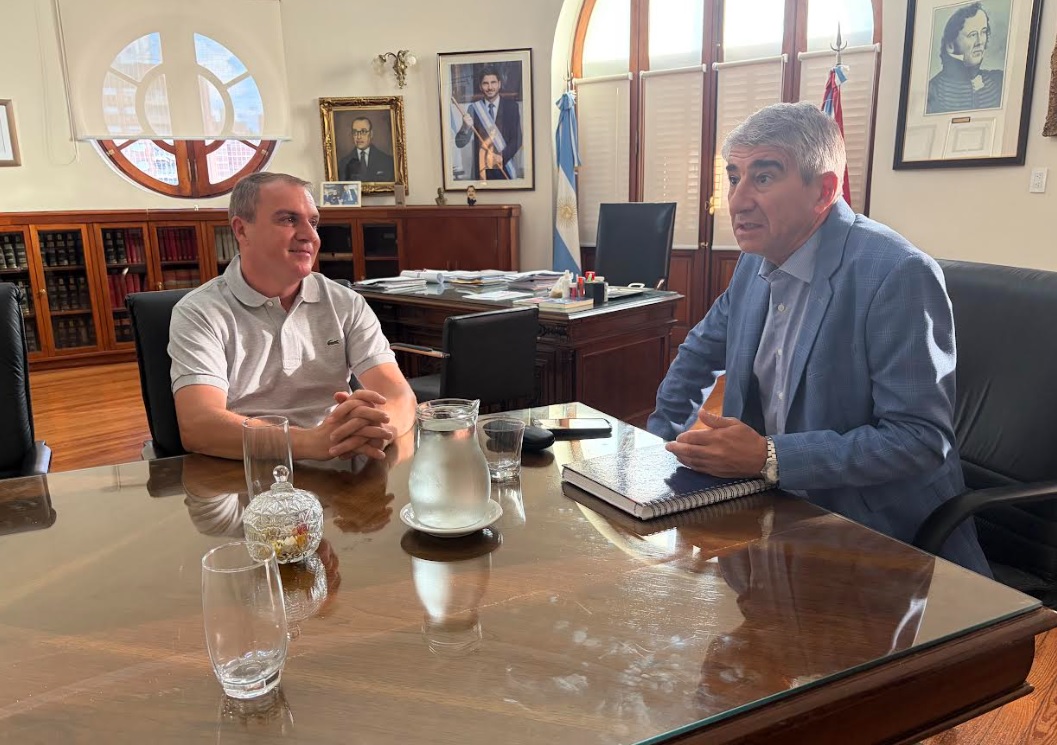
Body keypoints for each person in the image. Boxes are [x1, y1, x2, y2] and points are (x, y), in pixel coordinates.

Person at [646, 102, 989, 575]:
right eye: (734, 177)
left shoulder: (897, 274)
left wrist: (769, 457)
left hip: (876, 539)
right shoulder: (754, 261)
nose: (738, 201)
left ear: (825, 190)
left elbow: (919, 440)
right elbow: (698, 353)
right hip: (772, 515)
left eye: (763, 178)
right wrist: (660, 447)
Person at [169, 172, 416, 462]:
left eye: (313, 222)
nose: (310, 235)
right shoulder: (199, 312)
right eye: (289, 219)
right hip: (249, 472)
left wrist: (380, 429)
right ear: (242, 230)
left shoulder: (345, 303)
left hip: (338, 463)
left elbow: (399, 395)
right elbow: (199, 425)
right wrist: (311, 442)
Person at [926, 2, 1004, 114]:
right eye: (972, 35)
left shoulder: (999, 80)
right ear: (950, 46)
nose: (979, 42)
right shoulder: (933, 89)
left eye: (983, 32)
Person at [454, 66, 522, 180]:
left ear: (499, 84)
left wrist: (502, 157)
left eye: (493, 82)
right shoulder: (474, 109)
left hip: (505, 169)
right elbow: (459, 143)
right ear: (480, 86)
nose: (490, 87)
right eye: (485, 83)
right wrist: (465, 127)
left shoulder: (511, 107)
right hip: (482, 172)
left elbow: (517, 139)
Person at [338, 116, 396, 182]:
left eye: (363, 131)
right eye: (355, 132)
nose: (359, 137)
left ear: (371, 134)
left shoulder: (387, 161)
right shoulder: (344, 163)